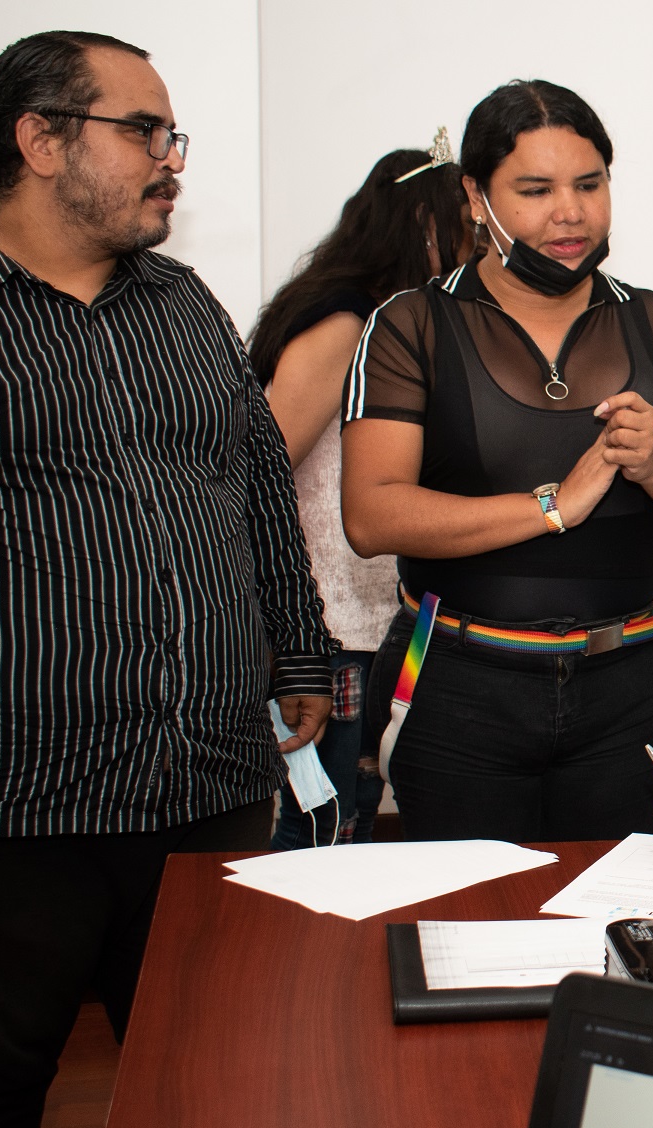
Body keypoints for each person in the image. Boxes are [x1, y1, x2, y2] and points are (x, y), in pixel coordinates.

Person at [0, 31, 335, 1128]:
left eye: (170, 133)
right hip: (25, 797)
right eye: (143, 131)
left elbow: (258, 485)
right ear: (41, 140)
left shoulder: (182, 303)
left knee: (209, 1070)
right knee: (2, 1078)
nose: (169, 158)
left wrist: (301, 650)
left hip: (208, 780)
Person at [342, 79, 653, 843]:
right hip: (458, 684)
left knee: (627, 905)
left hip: (631, 684)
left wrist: (652, 463)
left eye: (589, 184)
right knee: (472, 907)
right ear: (474, 196)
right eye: (535, 190)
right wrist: (554, 505)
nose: (570, 212)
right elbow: (371, 514)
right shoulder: (413, 324)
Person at [248, 136, 473, 848]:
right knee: (323, 819)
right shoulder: (344, 324)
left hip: (379, 618)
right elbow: (259, 464)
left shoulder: (395, 326)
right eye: (464, 230)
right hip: (330, 623)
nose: (475, 251)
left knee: (359, 806)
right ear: (424, 225)